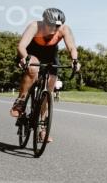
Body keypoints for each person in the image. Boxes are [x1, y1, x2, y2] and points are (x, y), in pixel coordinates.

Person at [11, 8, 81, 138]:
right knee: (33, 69)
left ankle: (43, 127)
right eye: (51, 25)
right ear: (44, 21)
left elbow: (72, 47)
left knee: (49, 88)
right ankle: (20, 101)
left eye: (58, 25)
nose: (55, 28)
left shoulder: (64, 29)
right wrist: (26, 58)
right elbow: (21, 46)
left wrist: (75, 60)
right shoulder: (34, 26)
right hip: (30, 52)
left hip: (50, 56)